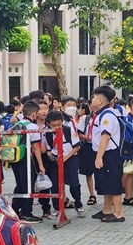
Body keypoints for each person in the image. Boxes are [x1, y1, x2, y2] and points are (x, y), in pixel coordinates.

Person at [90, 85, 126, 223]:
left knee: (113, 182)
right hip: (105, 152)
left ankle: (118, 212)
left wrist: (99, 156)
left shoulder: (108, 116)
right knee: (106, 182)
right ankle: (106, 209)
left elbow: (105, 136)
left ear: (99, 101)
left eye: (93, 98)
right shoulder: (103, 114)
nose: (92, 100)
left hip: (110, 154)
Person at [42, 109, 83, 217]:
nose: (56, 128)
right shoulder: (47, 133)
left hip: (70, 157)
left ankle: (78, 204)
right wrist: (49, 154)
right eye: (53, 125)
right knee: (55, 185)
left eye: (59, 125)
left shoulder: (69, 130)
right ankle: (57, 208)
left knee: (74, 183)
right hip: (56, 159)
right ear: (48, 124)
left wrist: (65, 157)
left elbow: (77, 146)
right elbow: (48, 148)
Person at [11, 99, 45, 223]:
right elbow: (36, 147)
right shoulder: (32, 126)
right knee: (28, 185)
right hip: (26, 158)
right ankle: (26, 212)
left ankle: (14, 210)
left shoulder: (17, 124)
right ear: (34, 114)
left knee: (20, 184)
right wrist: (41, 165)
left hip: (14, 158)